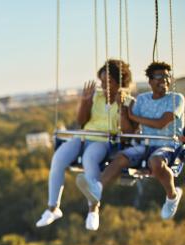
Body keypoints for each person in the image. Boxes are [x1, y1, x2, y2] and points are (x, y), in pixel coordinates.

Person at [76, 61, 184, 220]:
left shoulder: (176, 98)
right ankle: (97, 188)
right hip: (145, 144)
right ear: (150, 81)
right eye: (159, 76)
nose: (165, 80)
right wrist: (123, 109)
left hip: (167, 144)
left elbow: (162, 123)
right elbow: (130, 131)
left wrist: (134, 116)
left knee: (156, 162)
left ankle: (172, 196)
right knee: (120, 157)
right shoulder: (142, 99)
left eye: (168, 77)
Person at [36, 59, 133, 231]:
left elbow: (128, 132)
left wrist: (121, 108)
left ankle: (93, 209)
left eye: (108, 82)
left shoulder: (128, 101)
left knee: (89, 159)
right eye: (102, 81)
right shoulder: (97, 97)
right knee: (58, 159)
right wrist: (85, 102)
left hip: (103, 141)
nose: (104, 86)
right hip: (83, 136)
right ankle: (53, 208)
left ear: (120, 82)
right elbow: (81, 121)